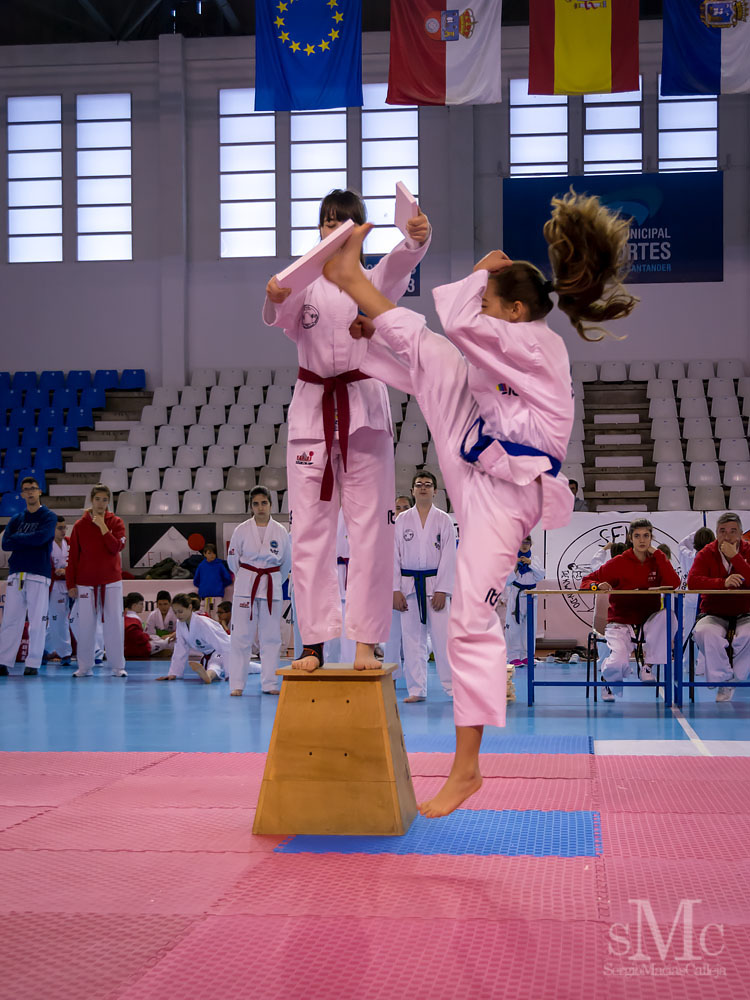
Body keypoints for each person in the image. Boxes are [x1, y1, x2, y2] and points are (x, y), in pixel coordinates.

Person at [321, 189, 637, 816]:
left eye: (494, 303)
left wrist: (479, 272)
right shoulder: (508, 348)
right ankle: (355, 284)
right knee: (436, 358)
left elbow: (463, 322)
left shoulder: (539, 345)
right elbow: (435, 365)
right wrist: (377, 339)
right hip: (476, 460)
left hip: (509, 495)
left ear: (514, 311)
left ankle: (467, 769)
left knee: (468, 619)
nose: (482, 310)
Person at [264, 188, 431, 673]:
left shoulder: (370, 279)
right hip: (313, 415)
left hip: (364, 414)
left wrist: (415, 240)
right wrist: (273, 296)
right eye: (326, 221)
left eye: (344, 222)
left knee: (371, 535)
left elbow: (399, 268)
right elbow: (280, 313)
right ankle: (313, 643)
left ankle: (364, 641)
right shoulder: (302, 282)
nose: (332, 229)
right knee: (312, 534)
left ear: (359, 231)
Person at [580, 519, 680, 701]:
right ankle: (607, 680)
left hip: (648, 619)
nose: (642, 540)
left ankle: (647, 666)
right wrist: (596, 586)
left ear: (651, 538)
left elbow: (674, 583)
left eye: (646, 536)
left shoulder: (657, 561)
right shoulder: (619, 562)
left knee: (669, 616)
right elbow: (586, 581)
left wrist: (658, 554)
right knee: (617, 661)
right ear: (630, 538)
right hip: (620, 621)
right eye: (637, 536)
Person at [393, 471, 456, 702]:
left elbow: (450, 556)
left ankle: (453, 688)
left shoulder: (443, 520)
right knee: (412, 641)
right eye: (418, 484)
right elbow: (394, 557)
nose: (423, 488)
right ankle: (416, 690)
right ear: (412, 490)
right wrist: (394, 589)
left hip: (435, 585)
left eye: (428, 485)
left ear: (435, 491)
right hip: (409, 586)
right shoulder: (401, 520)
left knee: (443, 639)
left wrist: (443, 589)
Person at [226, 486, 291, 696]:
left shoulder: (281, 531)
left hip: (271, 584)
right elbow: (233, 560)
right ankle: (237, 683)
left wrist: (268, 575)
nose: (260, 507)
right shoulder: (241, 530)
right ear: (251, 506)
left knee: (271, 637)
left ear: (271, 504)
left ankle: (270, 683)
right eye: (256, 503)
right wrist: (250, 576)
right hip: (247, 585)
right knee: (241, 637)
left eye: (264, 503)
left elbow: (286, 563)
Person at [687, 512, 750, 702]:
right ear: (716, 533)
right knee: (704, 632)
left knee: (748, 634)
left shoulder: (748, 550)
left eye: (732, 531)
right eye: (722, 531)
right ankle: (722, 678)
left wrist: (736, 558)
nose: (727, 536)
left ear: (740, 533)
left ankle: (734, 680)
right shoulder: (707, 552)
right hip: (713, 612)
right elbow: (693, 582)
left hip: (745, 612)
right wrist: (723, 583)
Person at [66, 484, 127, 678]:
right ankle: (84, 666)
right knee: (85, 624)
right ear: (91, 501)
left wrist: (102, 526)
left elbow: (115, 547)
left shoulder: (116, 522)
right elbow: (73, 556)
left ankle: (118, 666)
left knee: (114, 623)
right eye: (97, 499)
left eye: (105, 500)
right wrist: (70, 584)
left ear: (109, 502)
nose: (101, 504)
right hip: (85, 582)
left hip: (111, 581)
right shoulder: (79, 525)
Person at [0, 476, 58, 676]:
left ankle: (33, 662)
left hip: (38, 574)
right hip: (16, 574)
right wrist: (28, 540)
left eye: (34, 488)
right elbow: (5, 544)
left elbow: (42, 538)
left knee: (37, 622)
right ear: (22, 494)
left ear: (40, 491)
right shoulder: (17, 519)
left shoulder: (48, 517)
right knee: (10, 621)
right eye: (27, 489)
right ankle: (3, 661)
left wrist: (19, 539)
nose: (31, 492)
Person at [156, 593, 230, 683]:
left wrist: (230, 673)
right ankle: (209, 674)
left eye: (180, 611)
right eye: (175, 612)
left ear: (190, 607)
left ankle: (209, 676)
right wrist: (174, 673)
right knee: (249, 667)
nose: (178, 615)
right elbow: (180, 649)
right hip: (208, 654)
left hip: (225, 650)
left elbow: (224, 645)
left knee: (215, 663)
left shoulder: (203, 623)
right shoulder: (180, 623)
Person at [502, 535, 545, 667]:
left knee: (529, 627)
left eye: (527, 542)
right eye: (522, 542)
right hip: (516, 594)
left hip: (531, 595)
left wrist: (530, 563)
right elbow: (507, 581)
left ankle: (527, 655)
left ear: (531, 544)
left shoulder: (534, 559)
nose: (524, 545)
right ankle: (513, 656)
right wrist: (515, 566)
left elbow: (541, 575)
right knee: (514, 627)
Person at [384, 493, 414, 676]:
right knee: (392, 634)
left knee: (413, 635)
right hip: (391, 584)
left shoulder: (419, 530)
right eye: (398, 507)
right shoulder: (386, 530)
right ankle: (392, 674)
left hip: (412, 584)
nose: (401, 511)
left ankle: (415, 675)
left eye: (405, 507)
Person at [678, 527, 714, 676]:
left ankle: (688, 665)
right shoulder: (713, 556)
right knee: (707, 633)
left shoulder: (688, 554)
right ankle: (704, 666)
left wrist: (697, 534)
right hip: (707, 598)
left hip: (691, 597)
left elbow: (682, 543)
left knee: (688, 632)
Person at [45, 515, 74, 665]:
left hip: (68, 585)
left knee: (58, 619)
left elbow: (76, 563)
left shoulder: (69, 543)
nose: (63, 531)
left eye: (65, 527)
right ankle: (65, 653)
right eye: (60, 528)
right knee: (58, 619)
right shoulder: (46, 544)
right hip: (52, 585)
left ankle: (44, 649)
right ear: (52, 528)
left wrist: (66, 572)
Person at [123, 592, 171, 659]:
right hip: (137, 650)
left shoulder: (126, 617)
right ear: (134, 606)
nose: (143, 606)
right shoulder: (133, 619)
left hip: (130, 647)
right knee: (165, 643)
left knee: (156, 638)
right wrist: (146, 637)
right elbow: (137, 637)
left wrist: (147, 637)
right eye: (141, 604)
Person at [192, 543, 232, 615]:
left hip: (217, 596)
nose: (212, 555)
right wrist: (203, 587)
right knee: (204, 618)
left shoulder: (219, 565)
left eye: (214, 553)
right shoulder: (201, 566)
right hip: (204, 597)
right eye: (209, 553)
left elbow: (228, 579)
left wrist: (220, 586)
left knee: (217, 617)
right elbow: (196, 581)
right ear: (204, 554)